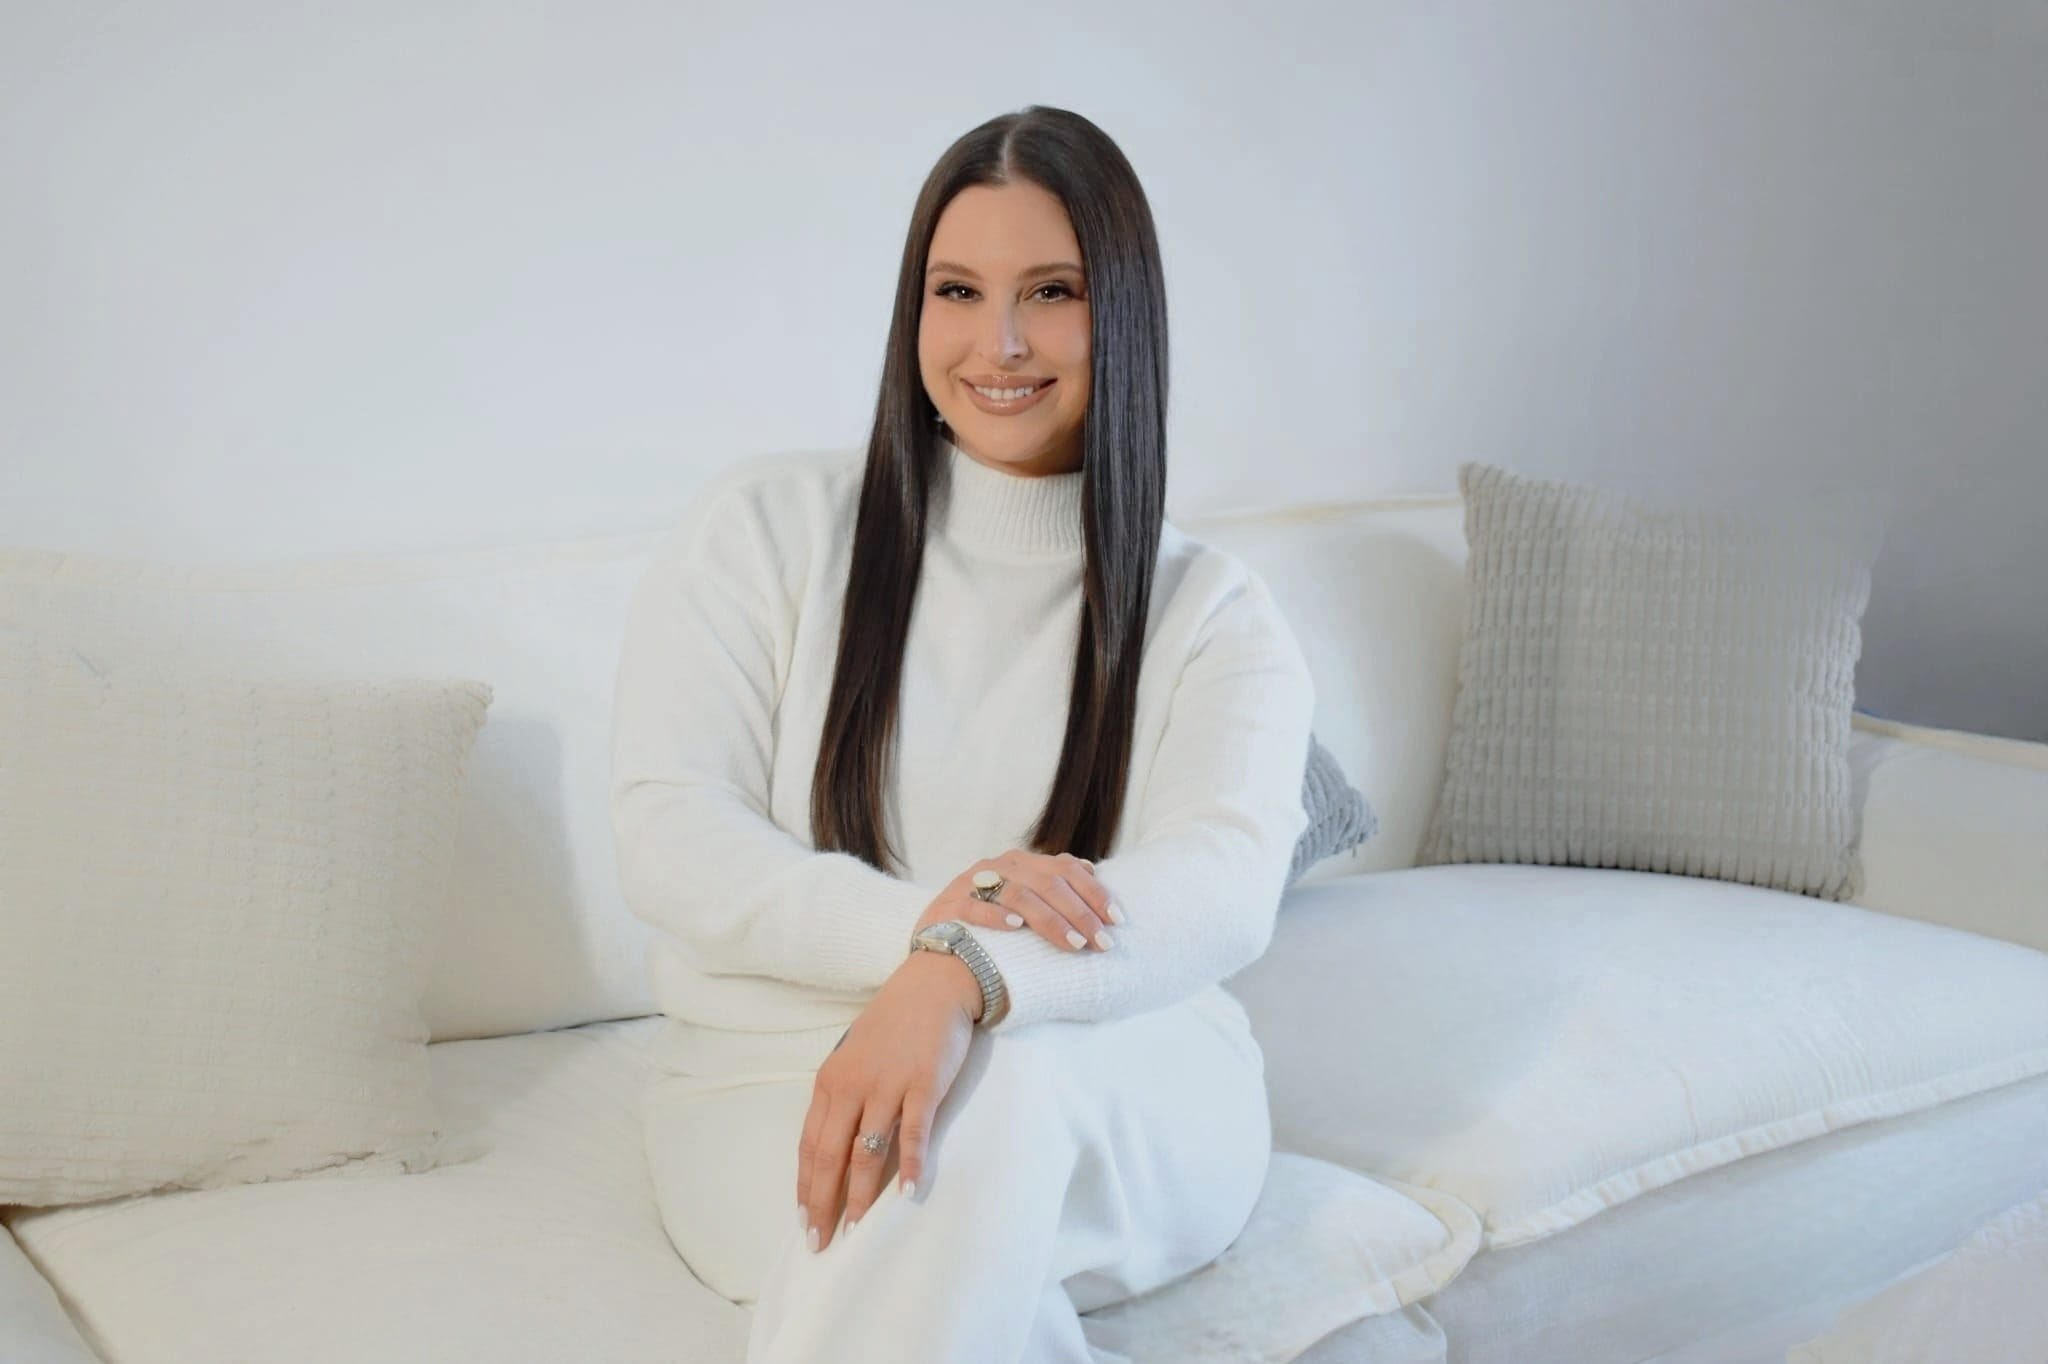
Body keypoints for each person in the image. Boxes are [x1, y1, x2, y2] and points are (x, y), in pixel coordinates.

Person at [610, 103, 1316, 1364]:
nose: (997, 341)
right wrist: (928, 937)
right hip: (770, 1069)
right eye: (956, 289)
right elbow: (670, 833)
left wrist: (962, 973)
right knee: (955, 1206)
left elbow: (1219, 885)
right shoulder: (764, 529)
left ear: (1125, 316)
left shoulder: (1213, 610)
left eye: (1050, 290)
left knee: (1005, 1096)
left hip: (1121, 1068)